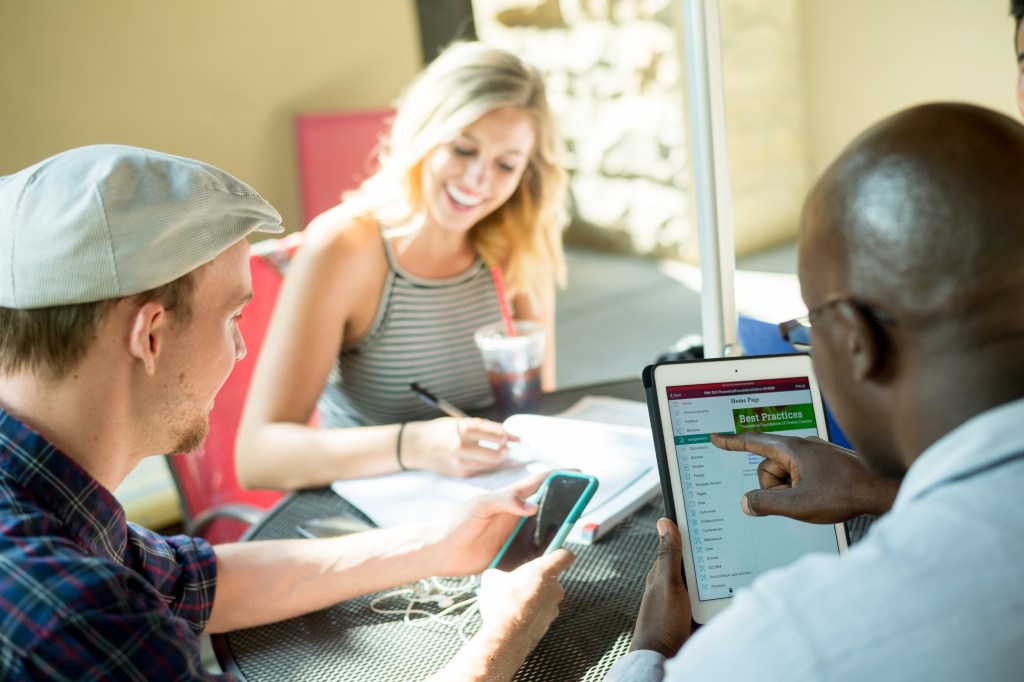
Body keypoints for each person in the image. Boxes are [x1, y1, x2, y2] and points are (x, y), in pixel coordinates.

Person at [0, 144, 575, 680]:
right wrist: (508, 632)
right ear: (150, 334)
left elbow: (190, 582)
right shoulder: (75, 617)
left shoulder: (48, 500)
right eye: (234, 320)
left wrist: (435, 545)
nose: (242, 349)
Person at [608, 103, 1024, 679]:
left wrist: (652, 650)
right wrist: (884, 491)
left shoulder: (802, 639)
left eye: (808, 328)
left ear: (857, 341)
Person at [235, 41, 568, 490]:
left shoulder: (518, 244)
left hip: (497, 496)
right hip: (380, 514)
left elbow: (535, 413)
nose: (478, 180)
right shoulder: (346, 247)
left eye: (505, 164)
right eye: (463, 149)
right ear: (424, 134)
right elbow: (259, 456)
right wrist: (413, 445)